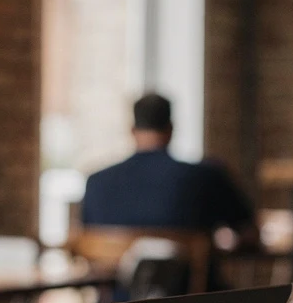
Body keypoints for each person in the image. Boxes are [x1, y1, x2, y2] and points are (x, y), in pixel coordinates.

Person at [79, 93, 255, 241]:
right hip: (190, 282)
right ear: (171, 129)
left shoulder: (96, 183)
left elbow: (84, 243)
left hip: (116, 283)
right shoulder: (207, 177)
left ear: (132, 130)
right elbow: (249, 233)